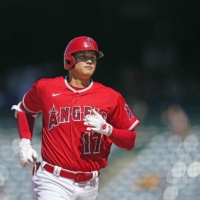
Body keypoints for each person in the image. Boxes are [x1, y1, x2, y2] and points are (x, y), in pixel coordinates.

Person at [11, 36, 140, 200]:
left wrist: (109, 130)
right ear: (69, 60)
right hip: (53, 179)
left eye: (93, 58)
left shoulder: (110, 97)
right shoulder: (46, 88)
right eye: (83, 56)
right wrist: (25, 143)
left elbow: (130, 141)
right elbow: (25, 109)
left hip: (90, 184)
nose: (90, 61)